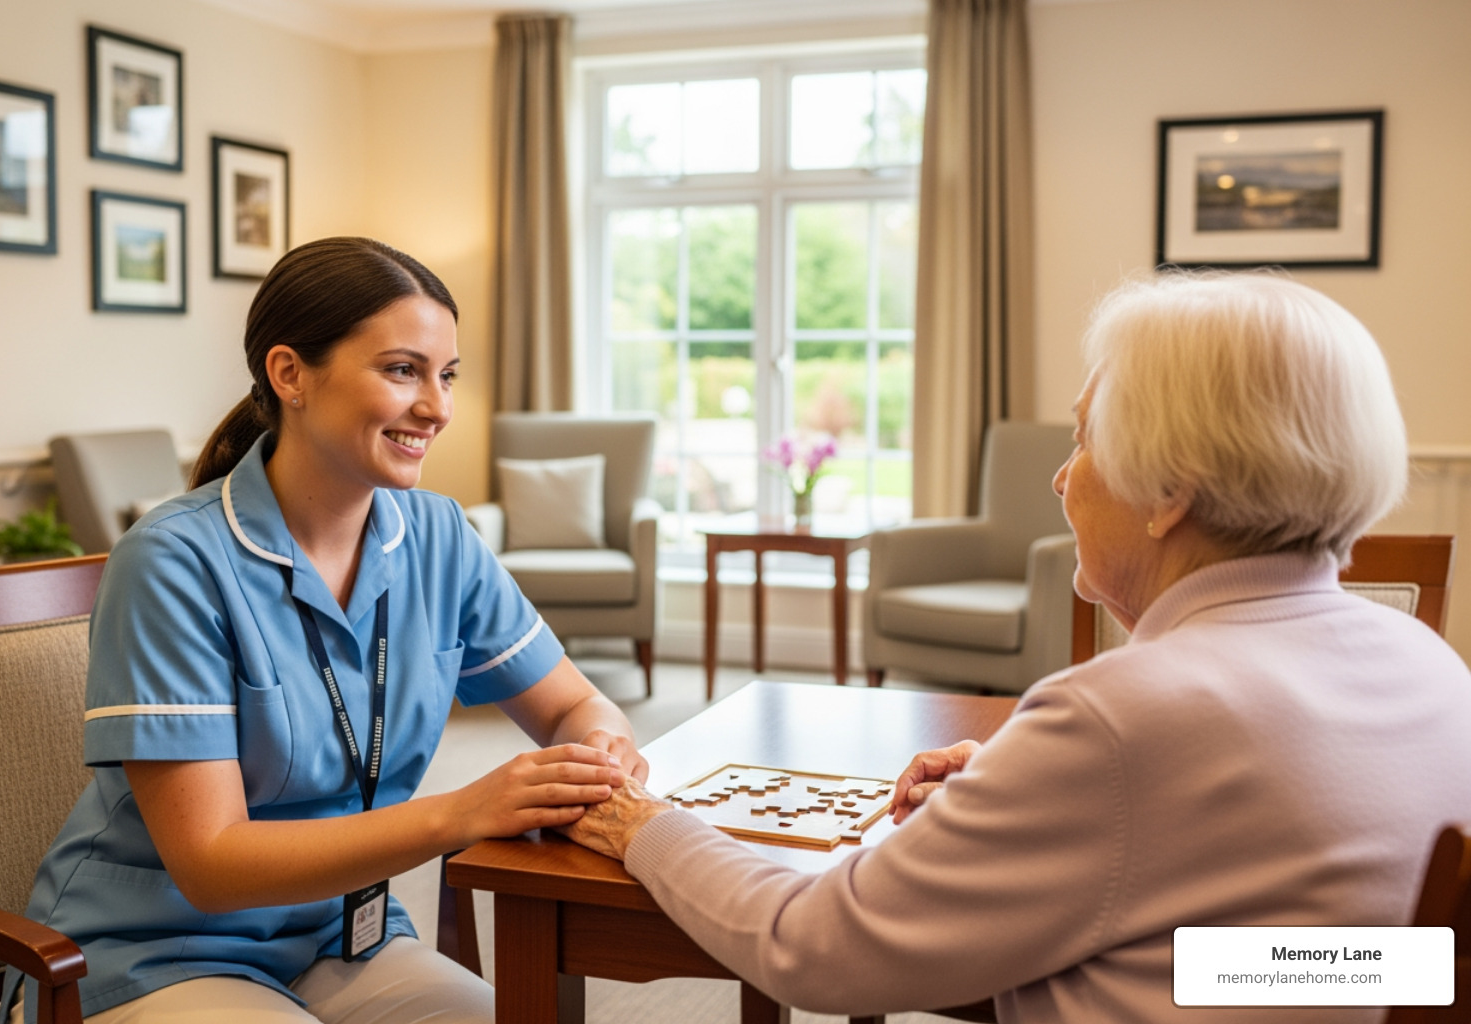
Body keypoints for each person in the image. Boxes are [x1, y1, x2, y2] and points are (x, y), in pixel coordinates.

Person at [561, 272, 1471, 1023]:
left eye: (1085, 439)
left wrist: (644, 824)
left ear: (1170, 493)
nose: (1063, 476)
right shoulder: (1429, 662)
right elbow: (1360, 958)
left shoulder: (1125, 718)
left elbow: (815, 948)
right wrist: (1033, 798)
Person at [1, 236, 648, 1024]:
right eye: (403, 370)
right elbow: (210, 863)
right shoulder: (171, 561)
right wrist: (462, 811)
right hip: (155, 952)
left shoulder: (440, 536)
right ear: (289, 374)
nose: (438, 407)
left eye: (446, 375)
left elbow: (576, 705)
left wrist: (599, 754)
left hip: (340, 935)